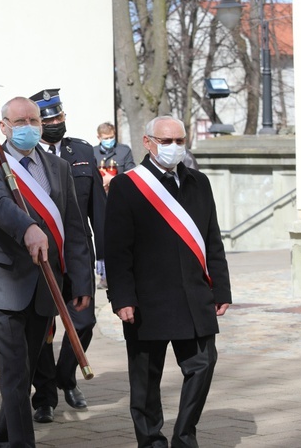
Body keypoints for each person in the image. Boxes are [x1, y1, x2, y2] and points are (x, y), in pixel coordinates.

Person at [0, 97, 93, 447]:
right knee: (14, 371)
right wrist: (27, 228)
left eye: (33, 120)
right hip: (3, 282)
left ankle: (2, 440)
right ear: (3, 126)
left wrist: (81, 281)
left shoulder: (59, 167)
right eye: (19, 121)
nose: (28, 127)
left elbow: (74, 227)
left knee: (23, 373)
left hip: (45, 284)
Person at [104, 115, 232, 448]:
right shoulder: (127, 185)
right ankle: (151, 441)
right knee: (146, 379)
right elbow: (117, 250)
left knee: (203, 364)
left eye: (179, 141)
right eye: (166, 141)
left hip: (194, 296)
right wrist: (122, 298)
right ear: (147, 143)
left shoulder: (198, 182)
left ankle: (184, 436)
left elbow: (211, 239)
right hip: (147, 300)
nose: (174, 147)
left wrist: (221, 288)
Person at [29, 88, 106, 422]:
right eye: (49, 120)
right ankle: (44, 396)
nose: (56, 124)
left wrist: (103, 256)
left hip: (76, 255)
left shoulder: (83, 151)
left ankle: (65, 376)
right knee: (42, 329)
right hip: (40, 257)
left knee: (84, 322)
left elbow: (97, 212)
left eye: (59, 117)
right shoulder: (25, 157)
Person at [93, 121, 135, 194]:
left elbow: (131, 174)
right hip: (100, 194)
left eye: (111, 137)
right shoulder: (93, 152)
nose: (109, 140)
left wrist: (112, 179)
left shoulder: (124, 150)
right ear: (99, 137)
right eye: (106, 138)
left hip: (119, 193)